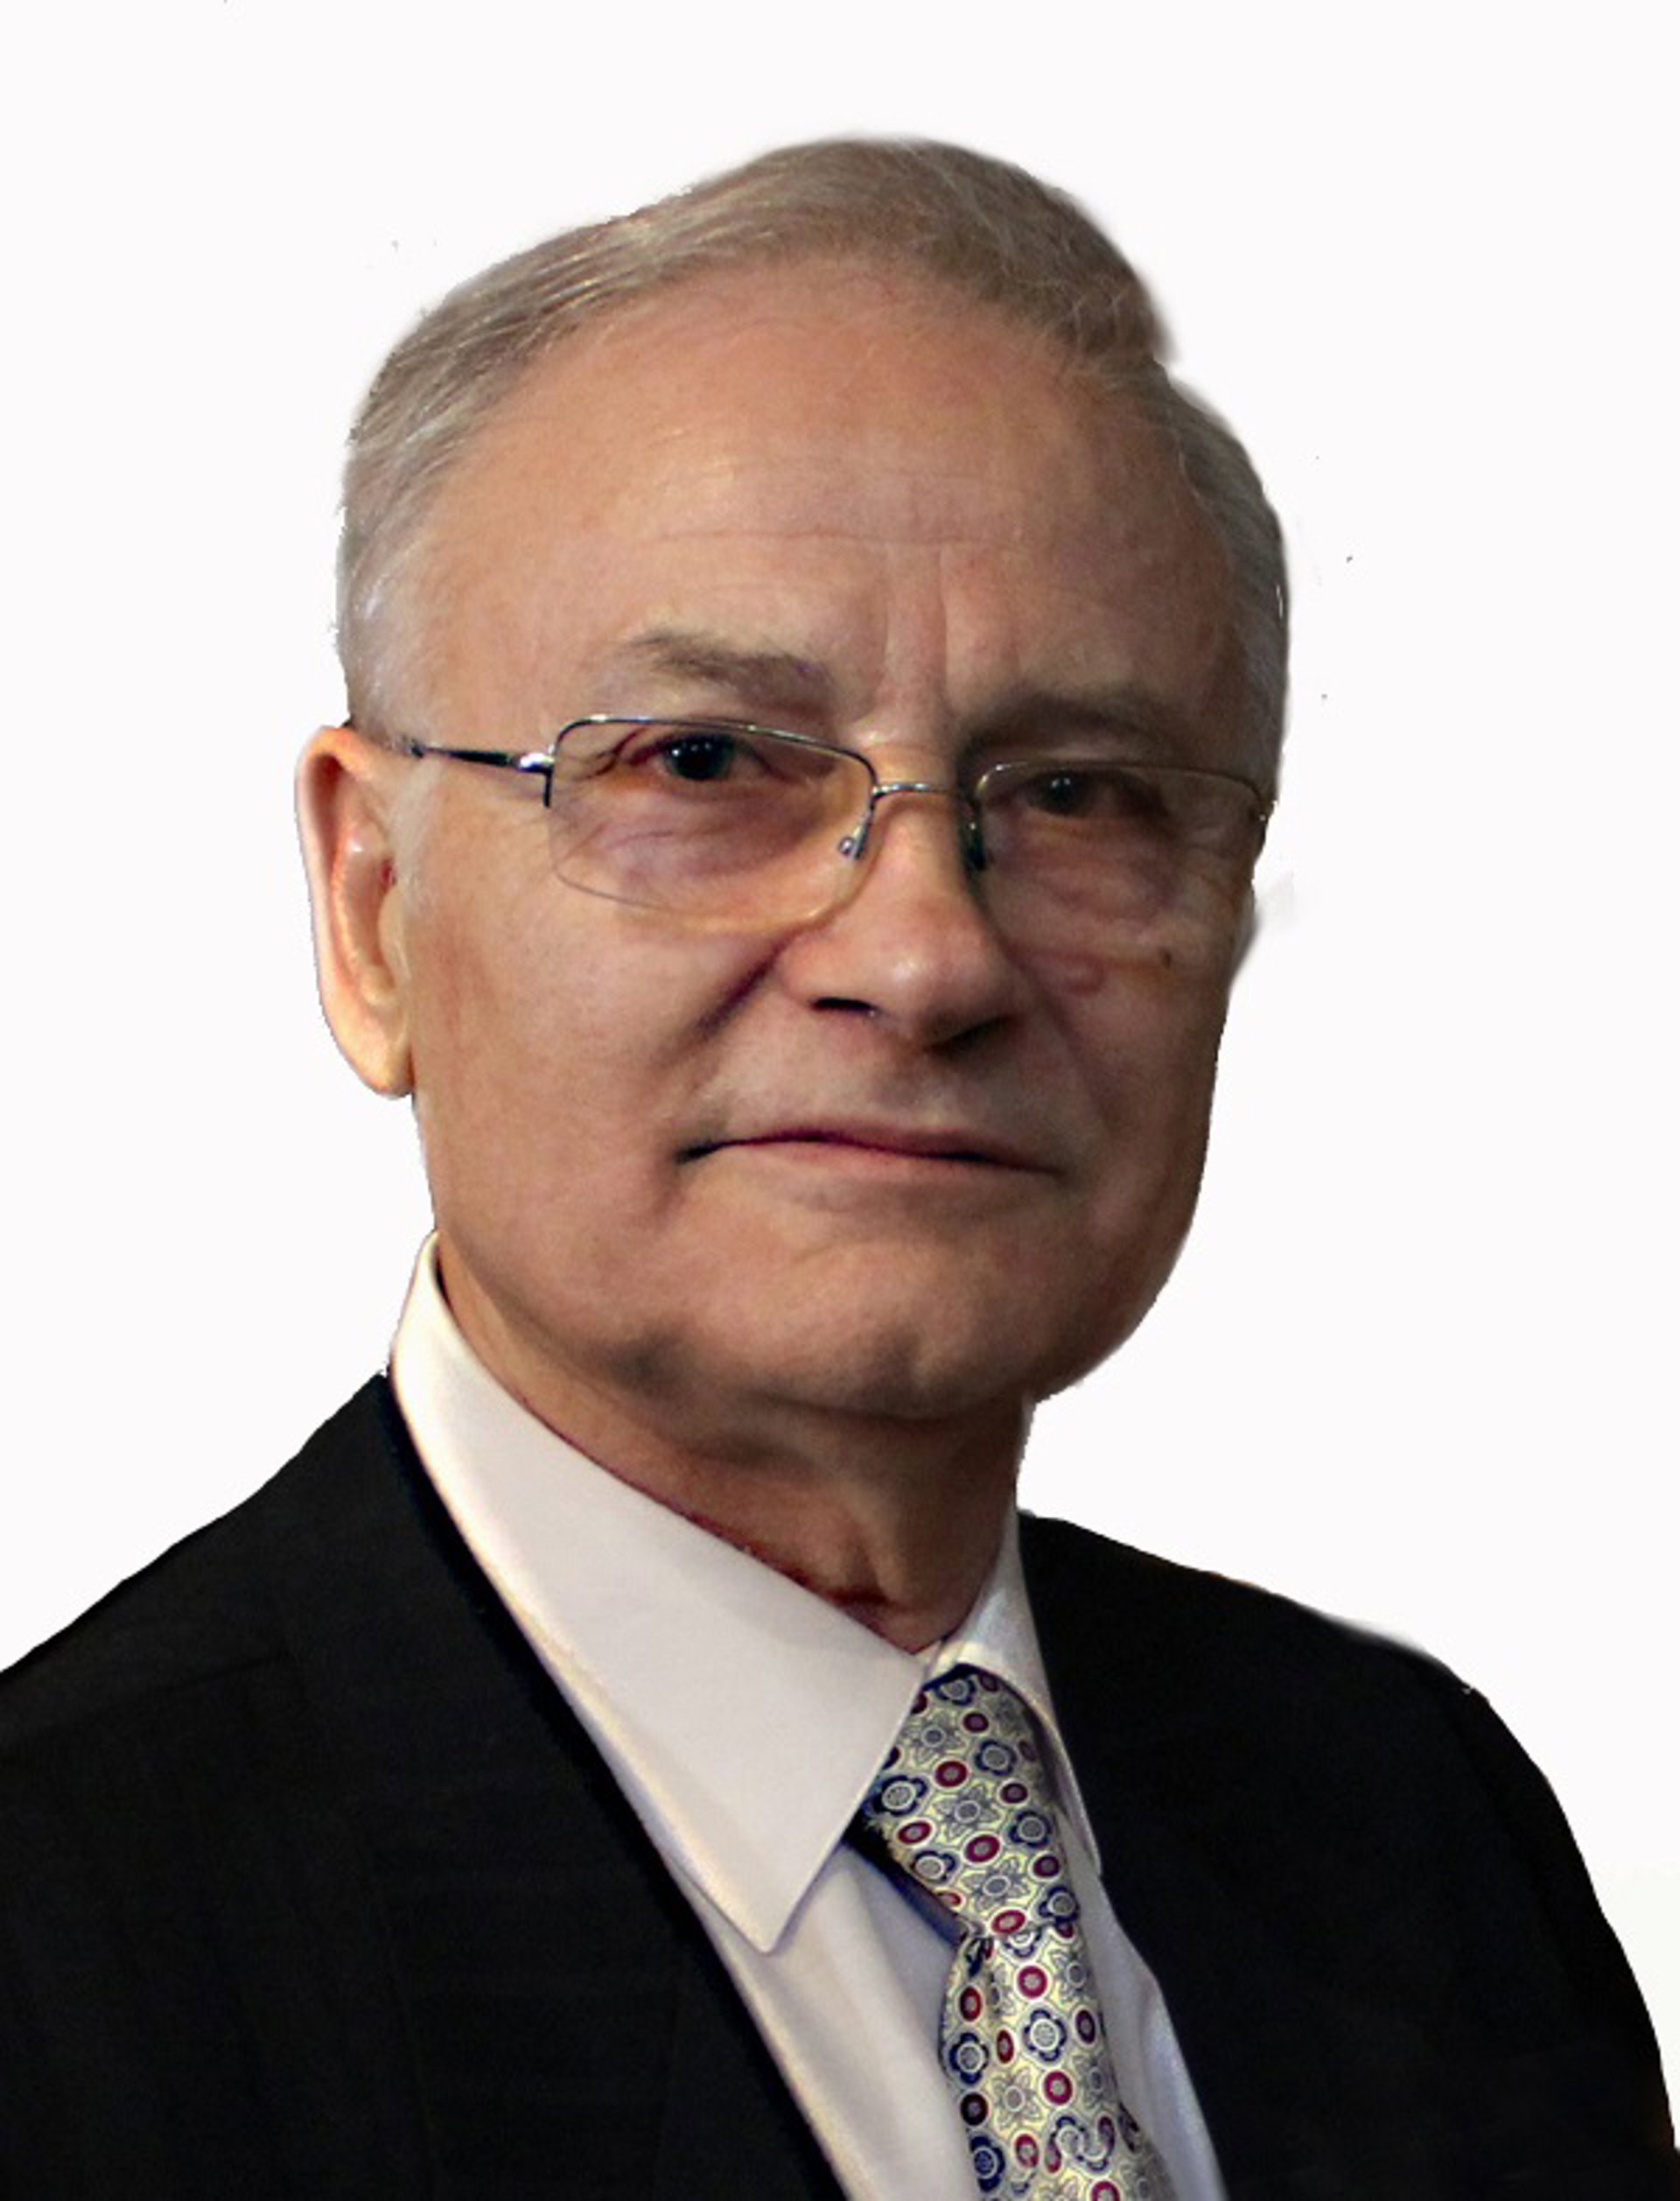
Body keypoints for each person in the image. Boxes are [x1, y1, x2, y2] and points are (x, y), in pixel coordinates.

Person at [0, 139, 1671, 2201]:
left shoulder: (1417, 1821)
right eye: (702, 763)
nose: (927, 953)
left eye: (1078, 792)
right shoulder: (62, 1957)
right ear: (372, 911)